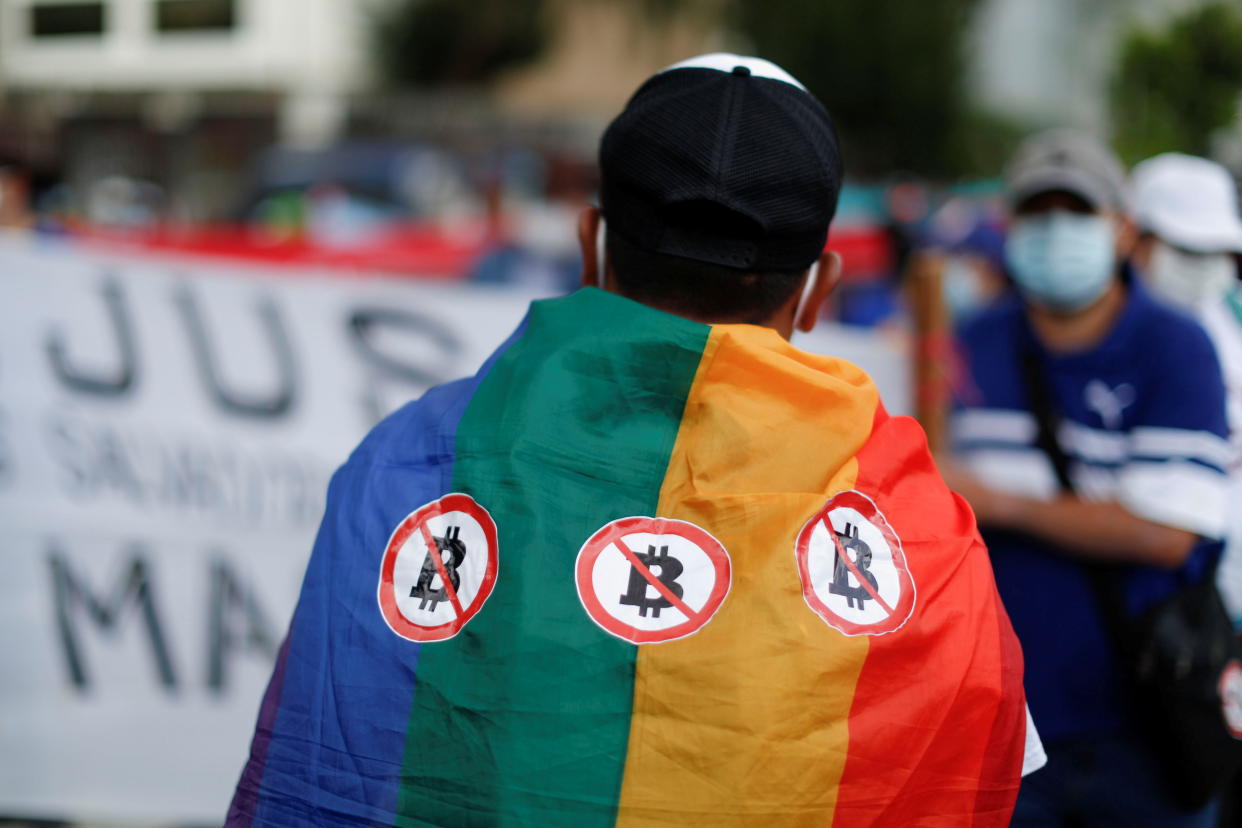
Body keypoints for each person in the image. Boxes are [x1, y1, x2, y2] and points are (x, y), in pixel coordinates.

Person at [228, 54, 1036, 827]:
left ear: (589, 244)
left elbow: (319, 756)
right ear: (820, 289)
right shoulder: (918, 537)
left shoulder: (407, 465)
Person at [948, 130, 1231, 827]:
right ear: (1009, 229)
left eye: (1075, 212)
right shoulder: (974, 339)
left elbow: (1166, 532)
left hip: (1142, 725)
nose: (1054, 232)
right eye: (1036, 213)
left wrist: (997, 503)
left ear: (1121, 229)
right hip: (1005, 728)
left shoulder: (1176, 345)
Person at [1129, 152, 1242, 627]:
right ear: (1135, 240)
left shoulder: (1229, 319)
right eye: (1185, 249)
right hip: (1143, 591)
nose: (1201, 266)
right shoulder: (1106, 331)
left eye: (1214, 251)